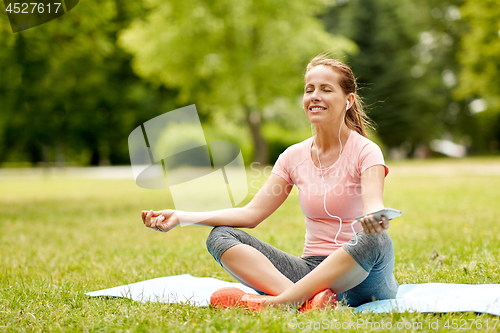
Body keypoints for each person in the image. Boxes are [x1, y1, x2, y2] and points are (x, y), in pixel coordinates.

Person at [141, 53, 399, 311]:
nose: (314, 96)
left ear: (348, 100)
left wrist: (374, 217)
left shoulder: (366, 151)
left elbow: (373, 204)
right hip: (309, 271)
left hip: (363, 278)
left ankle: (281, 303)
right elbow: (251, 214)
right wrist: (181, 216)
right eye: (309, 89)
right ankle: (309, 302)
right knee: (220, 235)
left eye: (326, 89)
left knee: (375, 238)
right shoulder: (292, 156)